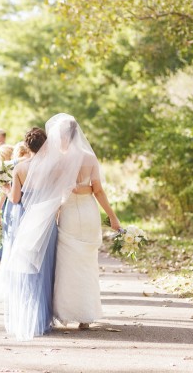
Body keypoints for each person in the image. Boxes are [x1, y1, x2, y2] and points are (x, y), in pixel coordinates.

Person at [51, 115, 121, 329]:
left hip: (70, 211)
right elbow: (97, 190)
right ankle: (85, 316)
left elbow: (54, 192)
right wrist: (112, 216)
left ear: (62, 136)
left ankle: (66, 311)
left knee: (67, 264)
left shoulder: (58, 159)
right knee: (88, 264)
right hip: (89, 211)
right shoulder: (89, 157)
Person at [0, 127, 54, 340]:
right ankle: (42, 318)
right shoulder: (52, 167)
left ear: (27, 146)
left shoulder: (20, 167)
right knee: (44, 268)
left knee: (26, 268)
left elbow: (16, 199)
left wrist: (5, 188)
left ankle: (27, 317)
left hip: (24, 218)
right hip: (45, 219)